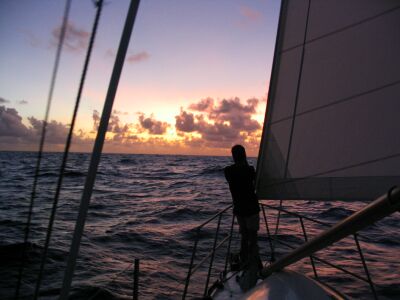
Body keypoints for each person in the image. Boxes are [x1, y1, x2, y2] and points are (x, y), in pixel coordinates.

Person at [224, 145, 261, 286]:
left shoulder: (228, 171)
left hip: (239, 209)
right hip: (252, 209)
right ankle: (253, 264)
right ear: (244, 155)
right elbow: (254, 180)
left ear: (233, 156)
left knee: (244, 236)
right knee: (253, 237)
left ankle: (244, 261)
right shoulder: (250, 170)